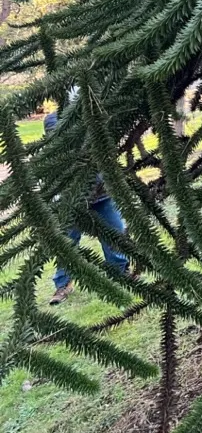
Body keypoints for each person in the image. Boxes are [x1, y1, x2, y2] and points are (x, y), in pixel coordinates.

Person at [44, 108, 130, 305]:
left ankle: (120, 272)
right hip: (70, 202)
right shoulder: (52, 140)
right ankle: (63, 284)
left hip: (101, 196)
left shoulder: (89, 130)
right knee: (67, 242)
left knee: (115, 233)